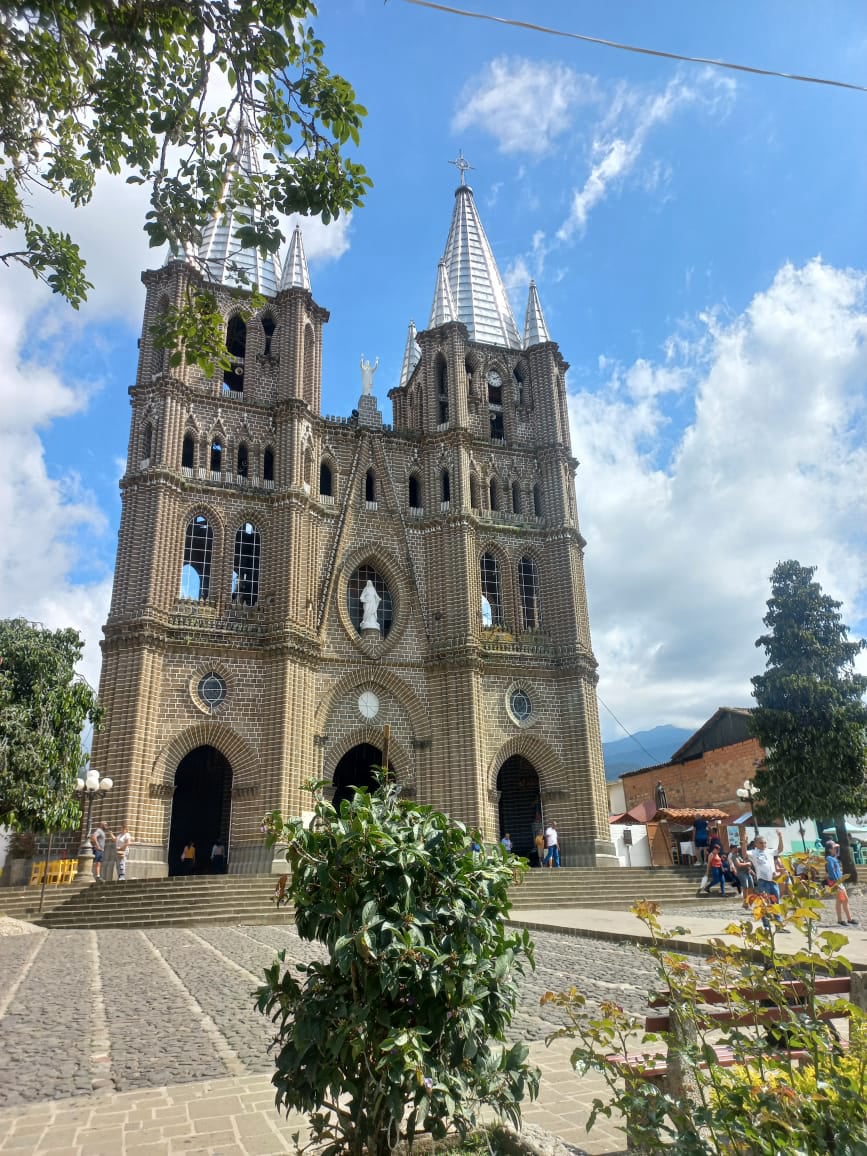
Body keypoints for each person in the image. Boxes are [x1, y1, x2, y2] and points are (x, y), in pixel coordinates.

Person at [746, 829, 789, 931]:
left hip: (773, 881)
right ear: (756, 844)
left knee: (776, 903)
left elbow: (780, 849)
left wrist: (780, 837)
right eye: (761, 843)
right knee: (764, 904)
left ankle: (779, 926)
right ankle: (766, 926)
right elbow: (744, 853)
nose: (763, 844)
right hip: (763, 881)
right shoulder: (753, 853)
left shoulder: (769, 851)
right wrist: (744, 842)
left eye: (765, 842)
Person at [825, 841, 858, 926]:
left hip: (838, 882)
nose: (836, 849)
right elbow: (832, 871)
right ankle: (846, 919)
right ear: (829, 849)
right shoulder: (829, 859)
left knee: (841, 900)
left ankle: (845, 919)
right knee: (843, 900)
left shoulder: (833, 858)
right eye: (834, 848)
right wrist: (837, 883)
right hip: (836, 882)